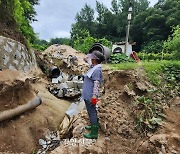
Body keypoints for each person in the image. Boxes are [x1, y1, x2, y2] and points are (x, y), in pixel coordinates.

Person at [82, 50, 105, 139]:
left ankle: (94, 133)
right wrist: (87, 58)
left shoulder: (97, 70)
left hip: (90, 96)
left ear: (95, 60)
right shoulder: (93, 67)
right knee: (91, 111)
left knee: (92, 113)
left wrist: (94, 96)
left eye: (92, 58)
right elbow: (86, 60)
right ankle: (93, 126)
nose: (90, 59)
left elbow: (96, 84)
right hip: (87, 94)